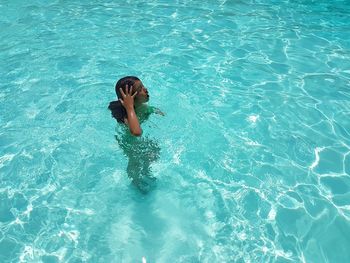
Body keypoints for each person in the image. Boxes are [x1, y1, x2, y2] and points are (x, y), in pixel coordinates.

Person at [108, 76, 163, 193]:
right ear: (131, 99)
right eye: (140, 89)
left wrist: (156, 111)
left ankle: (146, 172)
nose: (146, 89)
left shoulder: (141, 107)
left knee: (153, 150)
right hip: (128, 142)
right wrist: (129, 107)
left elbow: (149, 109)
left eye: (143, 86)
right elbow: (136, 132)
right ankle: (136, 181)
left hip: (136, 139)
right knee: (135, 161)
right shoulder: (127, 117)